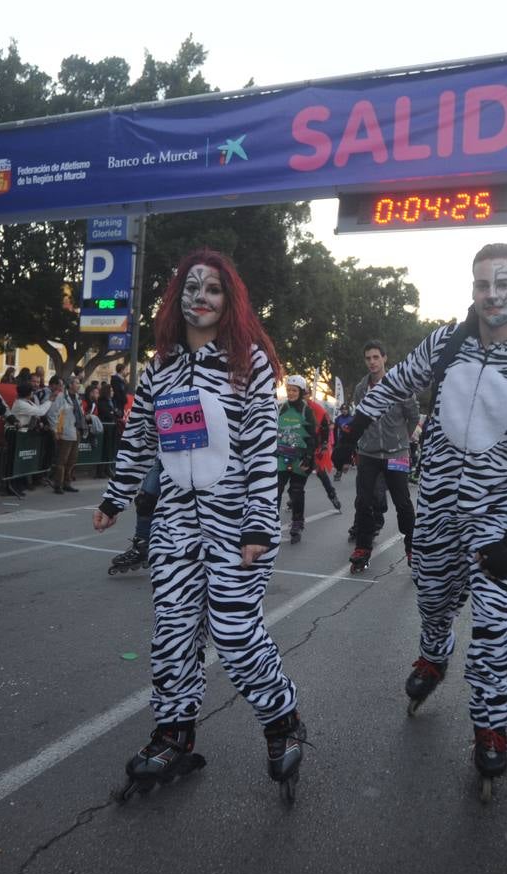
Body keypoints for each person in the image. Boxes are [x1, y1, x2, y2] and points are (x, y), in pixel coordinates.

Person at [333, 242, 507, 795]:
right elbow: (395, 382)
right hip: (438, 504)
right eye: (482, 285)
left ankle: (491, 726)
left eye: (503, 284)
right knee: (434, 598)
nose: (492, 295)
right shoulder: (447, 344)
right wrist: (352, 428)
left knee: (490, 625)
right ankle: (435, 654)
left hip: (498, 516)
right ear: (473, 290)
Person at [94, 248, 307, 802]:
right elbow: (140, 436)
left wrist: (260, 523)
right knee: (172, 634)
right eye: (191, 289)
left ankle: (282, 720)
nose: (200, 299)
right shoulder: (160, 365)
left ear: (228, 298)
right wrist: (115, 499)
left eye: (211, 289)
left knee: (236, 635)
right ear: (178, 298)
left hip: (238, 522)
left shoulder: (250, 361)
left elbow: (263, 448)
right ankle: (174, 734)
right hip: (175, 524)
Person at [345, 340, 419, 572]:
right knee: (364, 501)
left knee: (403, 503)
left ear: (384, 358)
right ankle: (363, 548)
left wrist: (400, 440)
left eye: (376, 357)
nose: (372, 362)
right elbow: (362, 417)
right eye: (368, 358)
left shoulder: (400, 386)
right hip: (368, 453)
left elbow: (413, 416)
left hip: (396, 454)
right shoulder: (360, 388)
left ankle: (412, 548)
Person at [275, 375, 319, 544]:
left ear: (301, 392)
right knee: (276, 491)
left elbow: (312, 436)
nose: (291, 393)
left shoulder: (305, 410)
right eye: (289, 390)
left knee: (296, 491)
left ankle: (297, 524)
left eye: (294, 390)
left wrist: (308, 457)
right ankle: (271, 523)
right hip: (281, 456)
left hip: (300, 458)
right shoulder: (281, 408)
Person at [47, 373, 85, 494]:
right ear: (70, 385)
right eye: (77, 383)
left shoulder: (78, 398)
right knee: (62, 459)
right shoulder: (61, 397)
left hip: (76, 430)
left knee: (72, 460)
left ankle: (67, 482)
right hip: (65, 431)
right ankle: (58, 484)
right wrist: (55, 429)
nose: (79, 385)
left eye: (79, 383)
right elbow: (52, 413)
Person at [303, 392, 341, 511]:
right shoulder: (293, 407)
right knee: (297, 475)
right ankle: (294, 498)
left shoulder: (317, 409)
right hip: (300, 446)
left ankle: (332, 495)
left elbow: (325, 427)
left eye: (304, 394)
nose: (302, 396)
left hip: (315, 446)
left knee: (320, 473)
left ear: (308, 394)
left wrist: (324, 443)